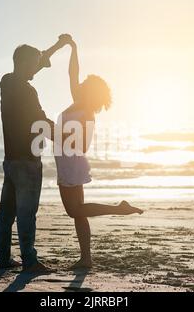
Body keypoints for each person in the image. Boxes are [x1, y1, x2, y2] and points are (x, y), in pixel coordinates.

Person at [54, 35, 143, 269]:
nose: (80, 83)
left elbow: (82, 146)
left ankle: (119, 209)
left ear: (89, 92)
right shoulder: (77, 104)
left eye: (85, 84)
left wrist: (54, 135)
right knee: (78, 213)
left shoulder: (86, 114)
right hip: (67, 164)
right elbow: (72, 74)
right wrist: (72, 48)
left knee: (74, 211)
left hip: (72, 165)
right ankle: (86, 258)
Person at [0, 35, 70, 273]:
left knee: (6, 213)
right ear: (26, 64)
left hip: (11, 160)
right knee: (27, 213)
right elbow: (40, 122)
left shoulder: (6, 82)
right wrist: (66, 137)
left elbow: (34, 63)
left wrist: (57, 47)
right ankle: (29, 261)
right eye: (34, 66)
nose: (36, 71)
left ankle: (4, 258)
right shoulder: (28, 92)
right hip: (28, 161)